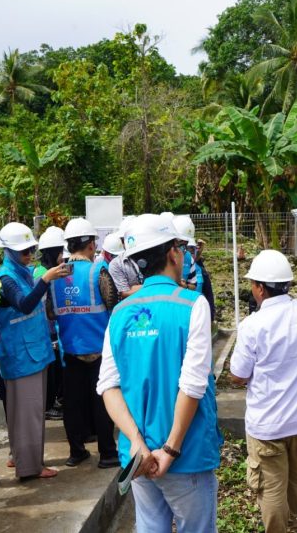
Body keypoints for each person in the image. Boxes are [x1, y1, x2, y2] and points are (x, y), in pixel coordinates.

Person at [98, 213, 222, 533]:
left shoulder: (120, 313)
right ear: (173, 253)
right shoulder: (192, 304)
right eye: (181, 248)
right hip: (186, 454)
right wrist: (169, 449)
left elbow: (108, 387)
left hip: (138, 456)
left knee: (150, 526)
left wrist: (138, 444)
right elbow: (192, 385)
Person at [228, 216, 297, 533]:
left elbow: (237, 375)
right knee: (296, 486)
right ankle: (292, 525)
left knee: (271, 490)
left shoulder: (251, 327)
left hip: (268, 426)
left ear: (259, 288)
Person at [0, 223, 69, 479]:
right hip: (21, 355)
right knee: (28, 414)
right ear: (8, 251)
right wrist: (46, 279)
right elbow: (25, 304)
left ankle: (21, 458)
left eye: (30, 250)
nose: (28, 255)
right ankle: (30, 468)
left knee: (26, 413)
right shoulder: (6, 277)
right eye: (23, 251)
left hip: (31, 352)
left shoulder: (22, 272)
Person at [51, 219, 117, 468]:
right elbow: (112, 303)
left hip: (69, 349)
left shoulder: (56, 276)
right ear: (91, 244)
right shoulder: (98, 271)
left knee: (73, 404)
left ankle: (76, 451)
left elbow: (50, 311)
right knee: (102, 400)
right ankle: (108, 453)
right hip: (99, 349)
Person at [35, 227, 66, 421]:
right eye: (60, 252)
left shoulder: (50, 271)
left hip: (53, 330)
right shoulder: (42, 274)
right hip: (47, 331)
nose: (63, 256)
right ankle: (49, 406)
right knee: (53, 373)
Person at [107, 217, 143, 299]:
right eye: (123, 240)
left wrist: (135, 288)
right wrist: (151, 287)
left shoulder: (153, 256)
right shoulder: (116, 264)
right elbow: (124, 294)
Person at [172, 216, 203, 294]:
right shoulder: (161, 256)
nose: (183, 247)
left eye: (186, 243)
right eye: (180, 242)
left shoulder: (188, 258)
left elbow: (194, 285)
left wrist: (185, 286)